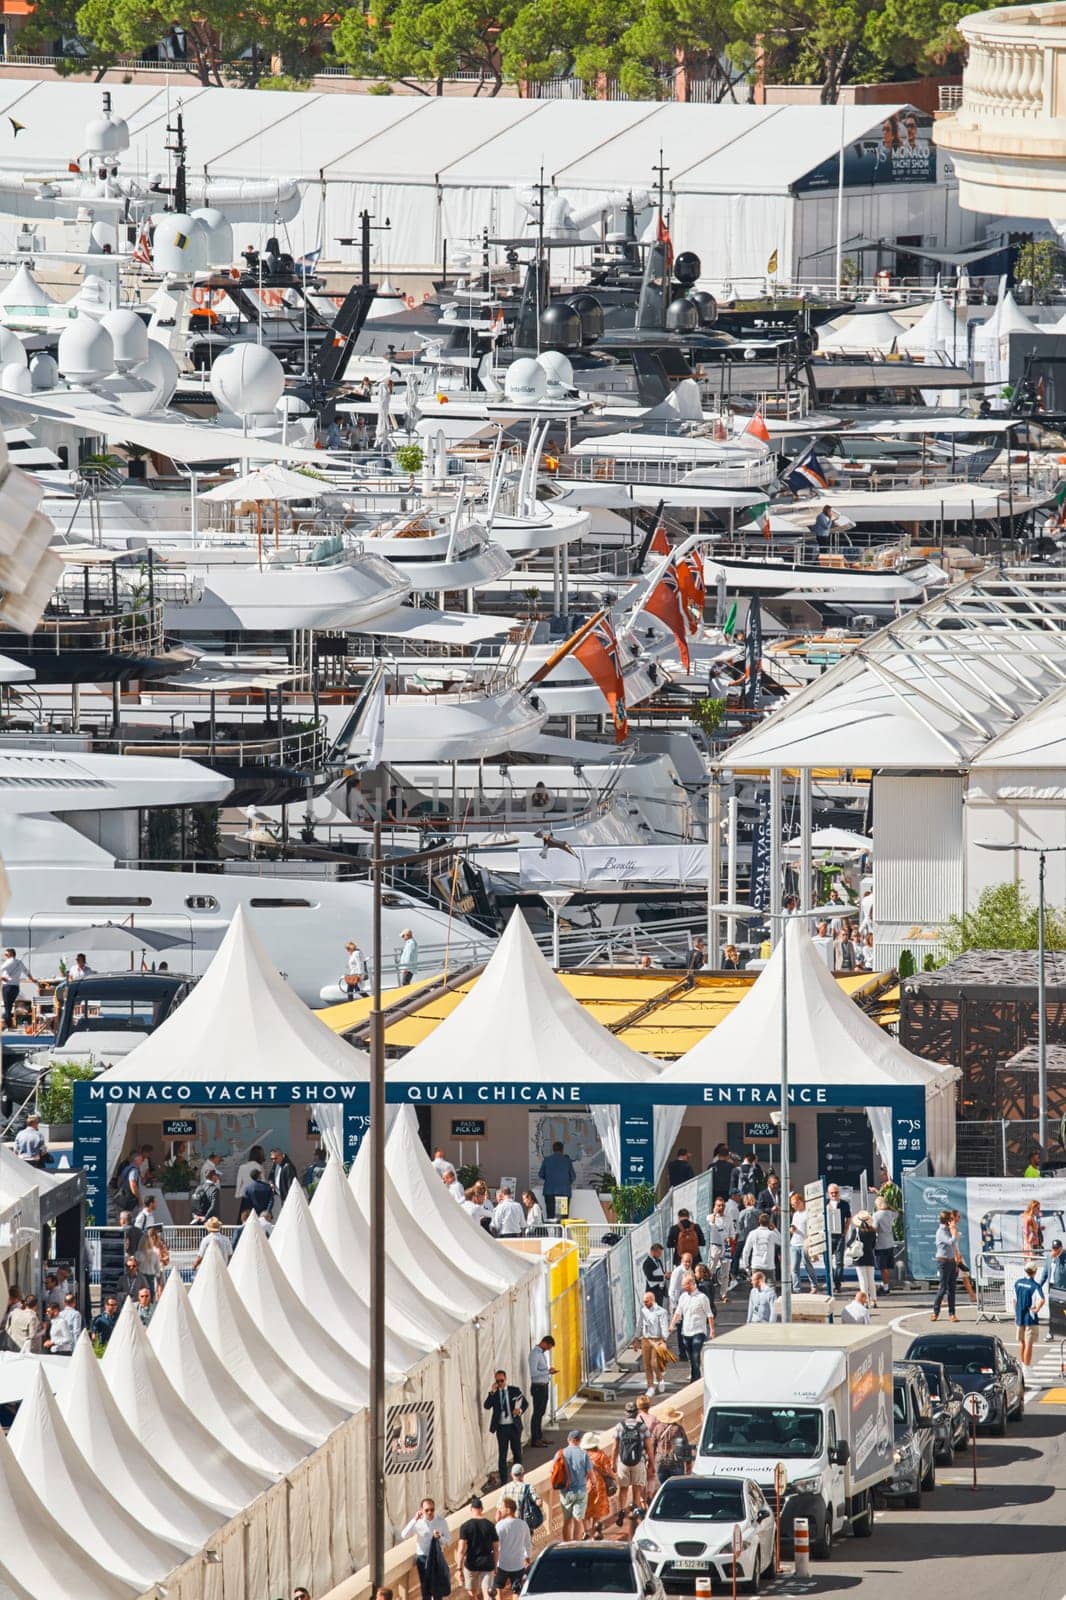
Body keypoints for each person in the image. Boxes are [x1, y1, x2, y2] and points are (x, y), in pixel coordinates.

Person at [401, 1498, 451, 1600]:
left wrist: (439, 1537)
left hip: (437, 1557)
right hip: (423, 1557)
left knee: (438, 1587)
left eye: (432, 1510)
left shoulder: (441, 1521)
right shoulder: (418, 1523)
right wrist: (414, 1519)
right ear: (422, 1510)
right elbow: (404, 1535)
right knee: (425, 1587)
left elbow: (448, 1540)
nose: (429, 1512)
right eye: (427, 1510)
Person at [611, 1399, 653, 1518]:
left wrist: (612, 1463)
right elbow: (649, 1448)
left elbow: (615, 1447)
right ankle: (636, 1509)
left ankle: (621, 1510)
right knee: (637, 1488)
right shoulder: (642, 1427)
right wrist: (652, 1464)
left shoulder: (620, 1426)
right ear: (636, 1413)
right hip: (638, 1461)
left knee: (623, 1488)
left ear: (626, 1413)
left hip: (623, 1462)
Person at [484, 1369, 527, 1483]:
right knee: (502, 1454)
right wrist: (492, 1392)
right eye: (497, 1381)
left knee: (517, 1452)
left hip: (514, 1426)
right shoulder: (495, 1394)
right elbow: (486, 1406)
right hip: (501, 1428)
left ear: (506, 1379)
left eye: (501, 1381)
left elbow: (525, 1403)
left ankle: (518, 1478)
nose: (500, 1383)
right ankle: (504, 1481)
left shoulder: (514, 1390)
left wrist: (520, 1410)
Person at [671, 1272, 714, 1381]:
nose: (682, 1287)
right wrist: (672, 1324)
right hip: (686, 1331)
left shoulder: (702, 1298)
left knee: (695, 1357)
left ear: (691, 1284)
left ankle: (695, 1381)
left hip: (698, 1331)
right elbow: (678, 1312)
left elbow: (709, 1314)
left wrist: (712, 1330)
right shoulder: (683, 1297)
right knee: (691, 1358)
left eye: (684, 1285)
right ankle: (697, 1375)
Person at [456, 1495, 497, 1597]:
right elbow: (496, 1548)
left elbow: (461, 1550)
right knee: (487, 1592)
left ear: (471, 1509)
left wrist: (459, 1568)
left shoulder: (465, 1526)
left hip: (471, 1564)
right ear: (482, 1509)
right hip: (487, 1563)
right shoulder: (490, 1525)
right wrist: (495, 1566)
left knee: (472, 1592)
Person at [554, 1429, 591, 1542]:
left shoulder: (560, 1453)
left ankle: (566, 1545)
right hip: (580, 1490)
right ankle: (575, 1545)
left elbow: (554, 1470)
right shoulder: (583, 1454)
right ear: (579, 1441)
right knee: (577, 1520)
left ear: (568, 1440)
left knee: (567, 1521)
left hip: (565, 1492)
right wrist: (592, 1483)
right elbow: (591, 1474)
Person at [492, 1497, 531, 1593]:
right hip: (518, 1564)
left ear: (508, 1510)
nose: (500, 1510)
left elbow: (495, 1546)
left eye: (502, 1507)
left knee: (497, 1589)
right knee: (517, 1590)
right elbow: (527, 1543)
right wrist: (527, 1557)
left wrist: (493, 1563)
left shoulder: (499, 1525)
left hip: (502, 1564)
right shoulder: (523, 1524)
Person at [637, 1289, 671, 1395]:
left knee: (654, 1363)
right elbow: (639, 1325)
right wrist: (636, 1338)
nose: (644, 1303)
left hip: (656, 1339)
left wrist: (664, 1339)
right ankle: (650, 1386)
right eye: (644, 1301)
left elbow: (664, 1326)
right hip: (646, 1339)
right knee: (647, 1364)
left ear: (652, 1300)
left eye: (646, 1301)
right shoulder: (643, 1311)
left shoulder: (661, 1312)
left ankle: (660, 1379)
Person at [1014, 1262, 1044, 1375]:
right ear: (1035, 1272)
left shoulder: (1018, 1283)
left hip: (1019, 1316)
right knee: (1029, 1344)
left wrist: (1016, 1313)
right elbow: (1041, 1300)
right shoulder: (1035, 1286)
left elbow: (1014, 1300)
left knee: (1022, 1343)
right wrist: (1036, 1309)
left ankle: (1023, 1365)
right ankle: (1027, 1367)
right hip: (1030, 1318)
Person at [931, 1209, 960, 1322]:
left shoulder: (949, 1229)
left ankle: (952, 1314)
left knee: (952, 1289)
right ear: (948, 1221)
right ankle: (935, 1312)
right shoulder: (941, 1232)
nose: (954, 1221)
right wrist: (954, 1231)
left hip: (951, 1261)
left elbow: (956, 1241)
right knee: (943, 1288)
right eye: (951, 1219)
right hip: (943, 1262)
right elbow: (951, 1241)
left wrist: (957, 1260)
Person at [582, 1432, 614, 1531]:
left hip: (584, 1486)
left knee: (585, 1513)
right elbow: (608, 1471)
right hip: (598, 1486)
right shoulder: (601, 1455)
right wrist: (614, 1478)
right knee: (597, 1513)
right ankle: (595, 1533)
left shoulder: (582, 1456)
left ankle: (586, 1532)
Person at [528, 1335, 557, 1445]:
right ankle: (535, 1438)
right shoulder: (535, 1354)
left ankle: (539, 1435)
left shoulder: (541, 1354)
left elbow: (541, 1370)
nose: (548, 1349)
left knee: (541, 1412)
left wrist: (548, 1371)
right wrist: (548, 1372)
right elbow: (533, 1373)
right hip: (538, 1387)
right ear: (545, 1343)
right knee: (537, 1413)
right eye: (548, 1347)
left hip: (543, 1385)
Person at [847, 1210, 878, 1308]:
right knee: (871, 1281)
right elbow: (873, 1245)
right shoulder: (872, 1231)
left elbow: (849, 1243)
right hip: (870, 1257)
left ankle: (865, 1302)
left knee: (863, 1281)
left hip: (859, 1258)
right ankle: (874, 1300)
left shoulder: (856, 1231)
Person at [538, 1141, 575, 1221]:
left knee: (551, 1216)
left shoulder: (547, 1160)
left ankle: (551, 1233)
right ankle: (562, 1233)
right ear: (562, 1150)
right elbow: (573, 1176)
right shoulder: (567, 1161)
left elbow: (541, 1174)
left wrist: (549, 1179)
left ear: (553, 1149)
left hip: (549, 1192)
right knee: (563, 1217)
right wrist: (566, 1182)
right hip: (564, 1192)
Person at [704, 1197, 732, 1303]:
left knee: (725, 1272)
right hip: (715, 1246)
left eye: (722, 1205)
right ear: (715, 1206)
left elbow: (732, 1231)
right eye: (719, 1205)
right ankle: (707, 1292)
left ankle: (723, 1294)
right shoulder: (710, 1217)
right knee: (711, 1270)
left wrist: (731, 1238)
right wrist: (714, 1215)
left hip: (726, 1246)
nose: (721, 1208)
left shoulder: (728, 1218)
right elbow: (710, 1227)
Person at [741, 1212, 781, 1285]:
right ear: (769, 1223)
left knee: (757, 1290)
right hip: (769, 1266)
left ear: (759, 1222)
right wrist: (775, 1229)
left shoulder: (752, 1233)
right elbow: (782, 1242)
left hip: (756, 1264)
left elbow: (746, 1250)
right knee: (770, 1290)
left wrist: (746, 1265)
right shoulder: (771, 1234)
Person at [825, 1184, 852, 1292]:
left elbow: (849, 1218)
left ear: (839, 1193)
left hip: (840, 1235)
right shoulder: (825, 1204)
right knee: (828, 1260)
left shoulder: (844, 1204)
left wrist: (845, 1231)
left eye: (836, 1192)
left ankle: (837, 1283)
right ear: (829, 1193)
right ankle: (831, 1280)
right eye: (832, 1193)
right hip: (828, 1235)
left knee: (839, 1261)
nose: (834, 1195)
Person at [789, 1193, 817, 1293]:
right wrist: (792, 1229)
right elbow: (794, 1226)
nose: (793, 1206)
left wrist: (798, 1230)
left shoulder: (807, 1214)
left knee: (807, 1265)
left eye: (795, 1203)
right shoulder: (795, 1214)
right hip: (794, 1243)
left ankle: (814, 1285)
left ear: (801, 1202)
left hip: (805, 1243)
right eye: (792, 1204)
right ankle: (797, 1289)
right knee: (794, 1268)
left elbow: (811, 1230)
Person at [654, 1409, 690, 1484]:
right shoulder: (679, 1429)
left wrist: (651, 1462)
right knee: (678, 1485)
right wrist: (688, 1463)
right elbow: (686, 1446)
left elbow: (652, 1445)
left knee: (663, 1485)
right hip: (675, 1460)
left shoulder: (657, 1428)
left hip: (661, 1459)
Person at [873, 1192, 898, 1296]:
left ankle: (886, 1287)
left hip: (880, 1243)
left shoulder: (876, 1215)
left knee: (883, 1268)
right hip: (889, 1242)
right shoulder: (890, 1213)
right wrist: (889, 1206)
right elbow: (897, 1212)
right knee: (887, 1267)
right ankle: (885, 1285)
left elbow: (874, 1228)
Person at [0, 948, 27, 1029]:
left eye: (6, 954)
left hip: (8, 987)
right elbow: (26, 971)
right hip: (16, 988)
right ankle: (8, 1022)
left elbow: (1, 968)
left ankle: (8, 1024)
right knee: (10, 1005)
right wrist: (32, 979)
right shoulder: (19, 962)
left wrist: (1, 977)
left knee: (7, 1006)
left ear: (10, 954)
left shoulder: (9, 962)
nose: (5, 955)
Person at [642, 1241, 667, 1305]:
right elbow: (650, 1277)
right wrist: (663, 1277)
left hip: (660, 1291)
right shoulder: (647, 1263)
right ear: (652, 1251)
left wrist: (666, 1275)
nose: (660, 1255)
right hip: (652, 1292)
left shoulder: (659, 1261)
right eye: (659, 1253)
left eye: (661, 1253)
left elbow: (661, 1272)